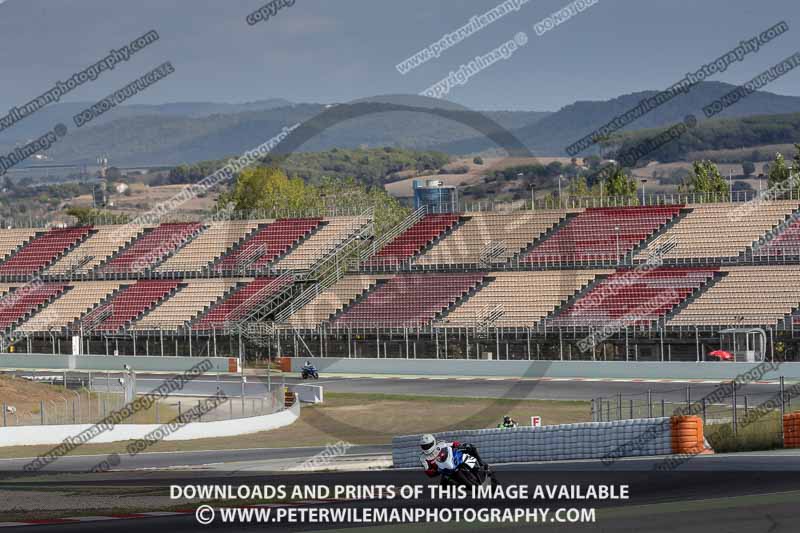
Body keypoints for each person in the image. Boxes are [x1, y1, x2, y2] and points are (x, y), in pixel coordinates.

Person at [418, 434, 487, 478]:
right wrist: (433, 472)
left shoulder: (440, 444)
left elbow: (452, 444)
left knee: (471, 447)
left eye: (428, 445)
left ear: (433, 442)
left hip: (452, 459)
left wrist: (459, 445)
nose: (426, 447)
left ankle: (481, 465)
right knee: (444, 488)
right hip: (443, 470)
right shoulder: (423, 458)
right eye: (424, 446)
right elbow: (427, 470)